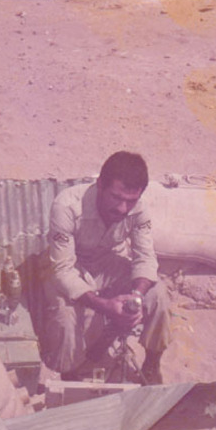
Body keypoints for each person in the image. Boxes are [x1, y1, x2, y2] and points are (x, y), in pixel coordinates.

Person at [41, 151, 171, 384]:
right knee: (66, 317)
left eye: (130, 201)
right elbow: (62, 270)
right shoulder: (67, 205)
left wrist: (137, 296)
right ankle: (70, 374)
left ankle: (152, 363)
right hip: (71, 265)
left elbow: (145, 258)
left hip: (106, 263)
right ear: (100, 184)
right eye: (116, 197)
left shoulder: (139, 210)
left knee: (158, 294)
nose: (123, 208)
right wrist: (105, 306)